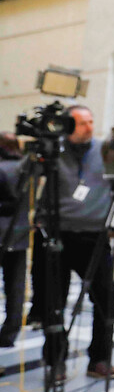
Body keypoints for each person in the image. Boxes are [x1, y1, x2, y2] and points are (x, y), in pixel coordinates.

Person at [49, 105, 114, 379]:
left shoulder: (105, 151)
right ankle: (56, 361)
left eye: (91, 121)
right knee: (53, 302)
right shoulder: (53, 150)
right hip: (58, 236)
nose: (89, 127)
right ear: (68, 125)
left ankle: (99, 359)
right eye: (82, 123)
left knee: (106, 298)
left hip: (95, 236)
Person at [0, 132, 29, 348]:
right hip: (19, 235)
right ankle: (10, 333)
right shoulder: (26, 167)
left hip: (3, 232)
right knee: (15, 287)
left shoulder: (2, 168)